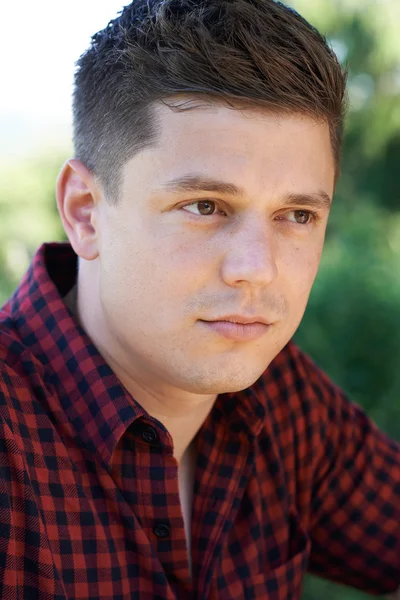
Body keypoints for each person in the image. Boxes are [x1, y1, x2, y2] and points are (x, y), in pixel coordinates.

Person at [0, 0, 399, 598]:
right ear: (85, 212)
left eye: (297, 214)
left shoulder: (281, 398)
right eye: (205, 207)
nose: (256, 270)